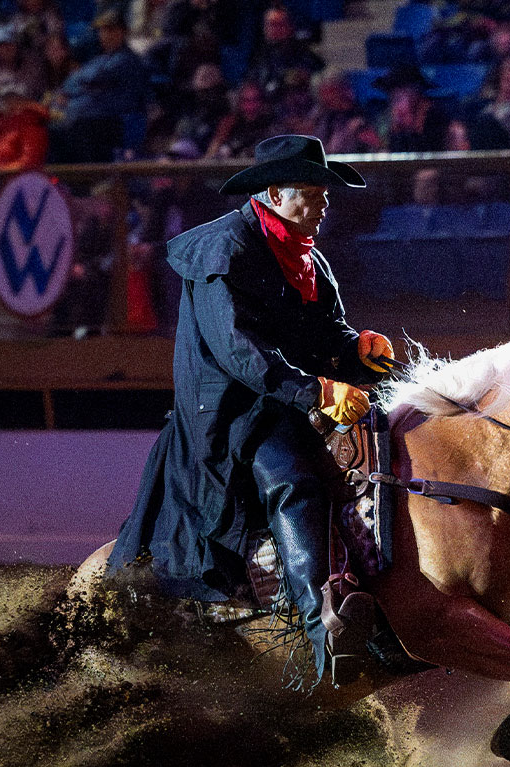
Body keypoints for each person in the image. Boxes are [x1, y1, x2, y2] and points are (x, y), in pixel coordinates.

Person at [107, 135, 399, 689]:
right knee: (296, 481)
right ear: (275, 194)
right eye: (312, 193)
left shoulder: (307, 257)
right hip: (234, 413)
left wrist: (355, 349)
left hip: (285, 398)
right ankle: (324, 631)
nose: (324, 204)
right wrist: (316, 392)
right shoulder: (223, 251)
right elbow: (240, 352)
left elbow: (327, 332)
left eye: (324, 194)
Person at [49, 10, 149, 163]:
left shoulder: (128, 59)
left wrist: (71, 92)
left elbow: (93, 78)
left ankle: (87, 176)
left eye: (111, 30)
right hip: (92, 119)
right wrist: (68, 93)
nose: (106, 35)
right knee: (52, 126)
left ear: (123, 32)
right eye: (102, 30)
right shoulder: (98, 59)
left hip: (117, 121)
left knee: (80, 125)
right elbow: (71, 82)